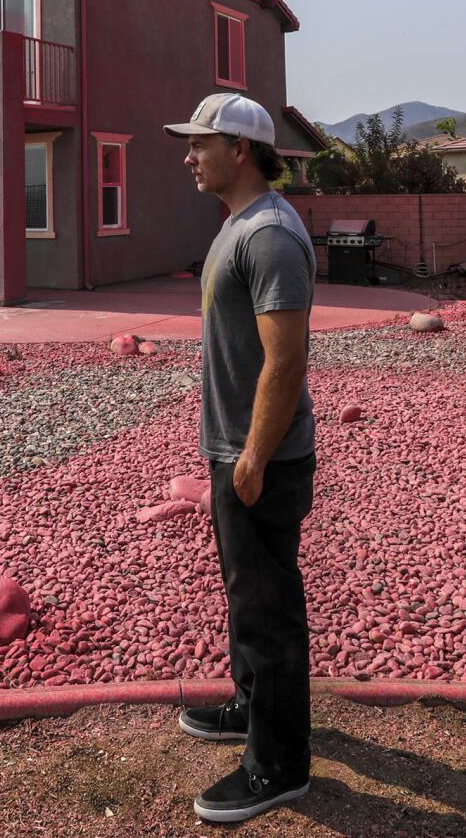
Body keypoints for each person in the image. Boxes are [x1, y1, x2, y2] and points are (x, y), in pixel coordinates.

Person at [163, 92, 318, 824]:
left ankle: (278, 766)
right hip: (233, 449)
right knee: (245, 595)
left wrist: (253, 455)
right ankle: (251, 707)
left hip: (261, 456)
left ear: (242, 150)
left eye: (201, 144)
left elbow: (286, 363)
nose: (189, 156)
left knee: (268, 607)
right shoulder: (239, 226)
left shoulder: (270, 237)